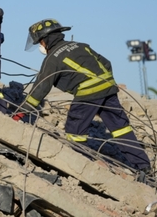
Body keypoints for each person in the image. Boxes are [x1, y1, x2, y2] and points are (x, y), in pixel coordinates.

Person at [22, 18, 151, 173]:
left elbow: (41, 87)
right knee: (121, 128)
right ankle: (144, 166)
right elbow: (106, 62)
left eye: (40, 43)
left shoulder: (53, 58)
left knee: (74, 130)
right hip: (108, 89)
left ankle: (81, 166)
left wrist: (23, 110)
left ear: (45, 40)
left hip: (87, 94)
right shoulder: (81, 46)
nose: (41, 46)